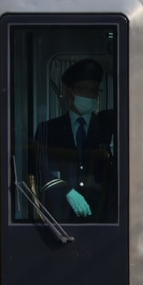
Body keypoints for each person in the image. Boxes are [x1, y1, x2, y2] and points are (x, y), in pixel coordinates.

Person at [29, 59, 116, 221]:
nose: (90, 95)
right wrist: (66, 190)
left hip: (102, 214)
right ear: (70, 92)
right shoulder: (48, 129)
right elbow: (38, 168)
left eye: (94, 90)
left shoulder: (109, 126)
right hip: (60, 214)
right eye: (84, 89)